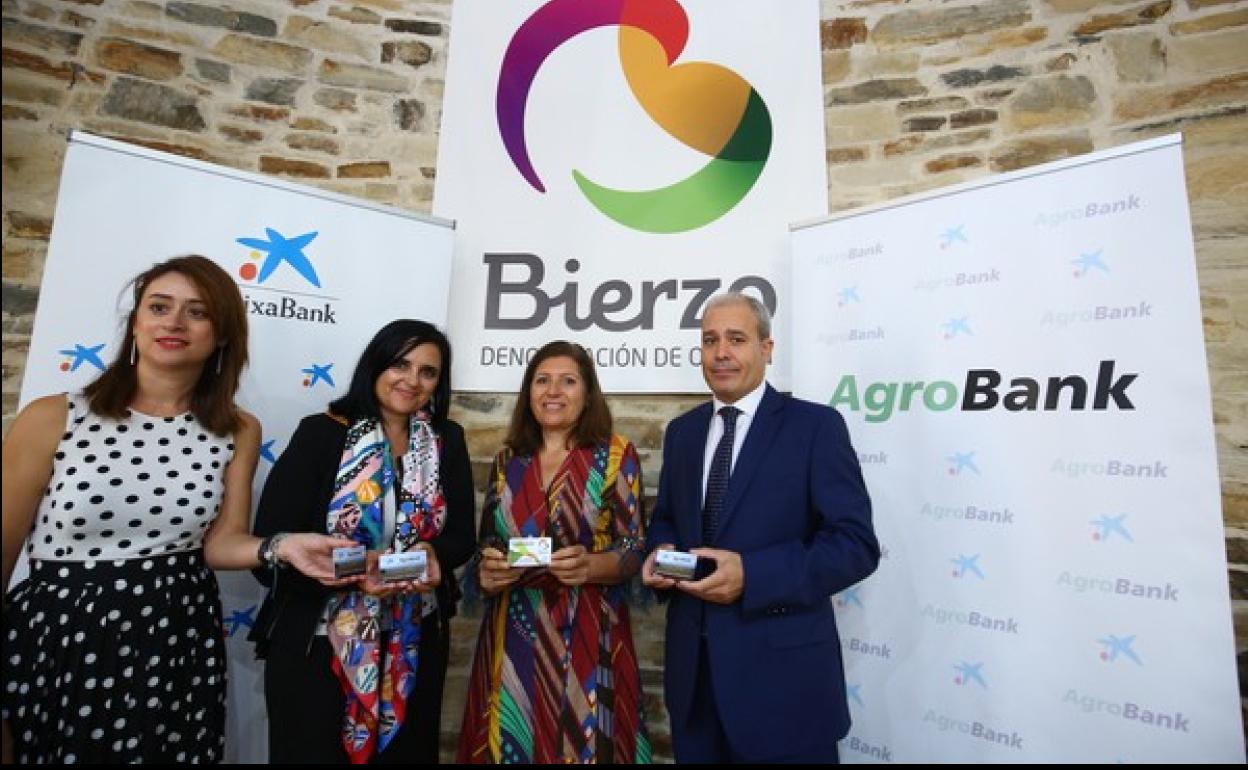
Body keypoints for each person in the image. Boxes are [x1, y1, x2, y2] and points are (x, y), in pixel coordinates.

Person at [1, 255, 350, 763]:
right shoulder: (54, 416)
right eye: (159, 306)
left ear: (222, 334)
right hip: (63, 640)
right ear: (136, 323)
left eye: (197, 312)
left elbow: (222, 543)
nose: (174, 322)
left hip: (175, 642)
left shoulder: (237, 429)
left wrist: (281, 547)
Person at [641, 292, 879, 763]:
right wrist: (660, 551)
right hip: (695, 689)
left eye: (736, 339)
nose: (721, 353)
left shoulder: (816, 427)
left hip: (785, 691)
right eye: (710, 340)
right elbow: (667, 516)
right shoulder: (683, 433)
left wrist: (752, 575)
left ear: (766, 349)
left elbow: (855, 545)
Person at [249, 319, 476, 764]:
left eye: (428, 372)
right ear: (376, 365)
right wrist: (353, 573)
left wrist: (433, 553)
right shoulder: (321, 433)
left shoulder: (446, 439)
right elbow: (269, 546)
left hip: (413, 640)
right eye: (400, 364)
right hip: (319, 645)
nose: (412, 380)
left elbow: (461, 537)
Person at [458, 341, 649, 763]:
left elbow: (634, 547)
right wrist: (487, 572)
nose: (553, 391)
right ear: (529, 392)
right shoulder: (508, 461)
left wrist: (591, 565)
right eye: (542, 380)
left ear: (588, 392)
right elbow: (488, 543)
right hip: (513, 635)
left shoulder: (616, 455)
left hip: (589, 630)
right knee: (511, 743)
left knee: (583, 747)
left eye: (568, 381)